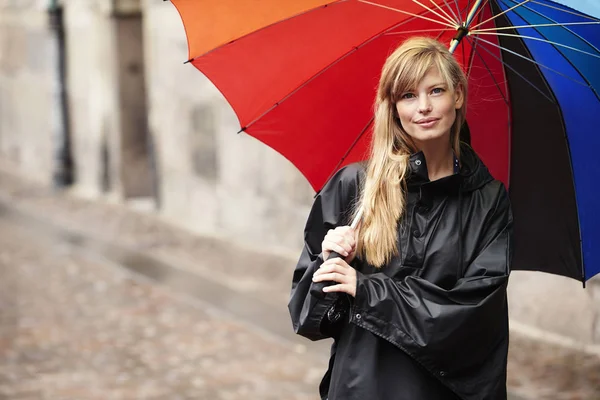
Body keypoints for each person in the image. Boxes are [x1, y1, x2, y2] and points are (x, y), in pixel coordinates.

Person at [288, 36, 513, 400]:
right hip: (361, 384)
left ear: (457, 96)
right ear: (393, 107)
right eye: (408, 95)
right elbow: (307, 319)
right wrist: (327, 264)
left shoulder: (487, 200)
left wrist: (368, 289)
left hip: (439, 390)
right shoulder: (355, 186)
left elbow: (473, 313)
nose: (423, 106)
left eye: (435, 90)